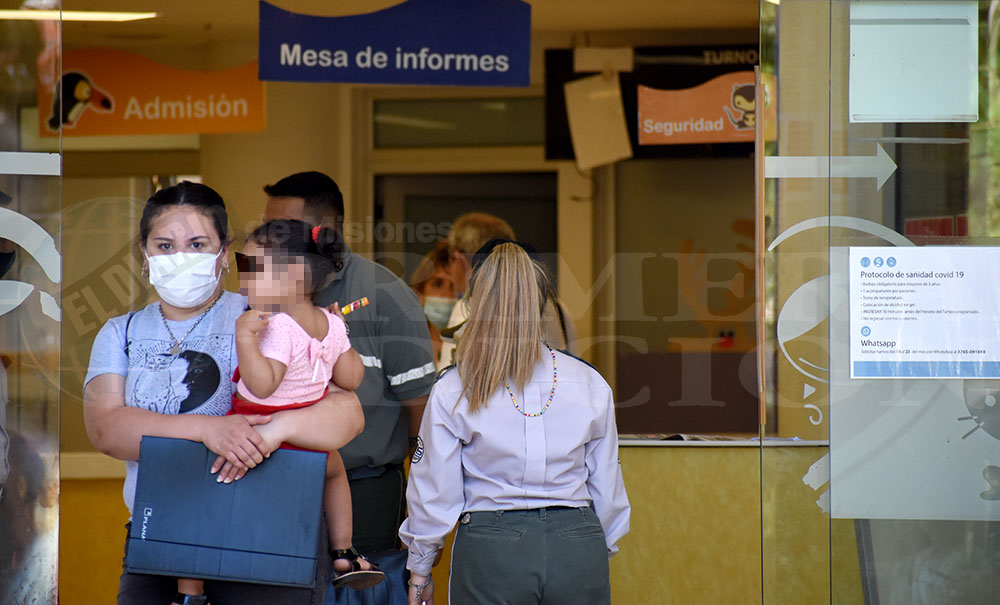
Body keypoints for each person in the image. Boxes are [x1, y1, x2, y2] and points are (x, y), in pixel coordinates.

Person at [83, 181, 364, 605]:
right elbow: (107, 430)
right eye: (165, 245)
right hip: (160, 535)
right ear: (144, 252)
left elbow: (349, 412)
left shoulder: (268, 317)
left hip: (269, 533)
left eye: (197, 244)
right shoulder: (120, 333)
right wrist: (209, 430)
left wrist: (275, 430)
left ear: (224, 252)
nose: (181, 257)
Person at [399, 240, 630, 605]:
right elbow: (608, 489)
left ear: (473, 303)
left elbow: (435, 492)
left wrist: (420, 570)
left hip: (492, 551)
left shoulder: (455, 387)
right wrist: (590, 554)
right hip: (578, 545)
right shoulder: (590, 382)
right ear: (543, 302)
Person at [175, 219, 386, 602]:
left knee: (203, 497)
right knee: (336, 472)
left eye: (252, 268)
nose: (244, 280)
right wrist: (341, 334)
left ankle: (190, 590)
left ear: (294, 277)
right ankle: (344, 551)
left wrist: (245, 338)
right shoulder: (330, 323)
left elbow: (263, 384)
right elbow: (351, 378)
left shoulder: (279, 326)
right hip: (310, 442)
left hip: (256, 430)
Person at [262, 172, 436, 605]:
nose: (269, 241)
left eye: (282, 230)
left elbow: (421, 413)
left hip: (367, 497)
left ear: (324, 232)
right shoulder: (263, 297)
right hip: (278, 495)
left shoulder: (385, 295)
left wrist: (420, 502)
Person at [438, 213, 576, 368]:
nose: (449, 271)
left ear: (459, 259)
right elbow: (572, 367)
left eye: (449, 260)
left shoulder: (470, 309)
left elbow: (450, 376)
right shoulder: (559, 309)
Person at [408, 241, 458, 370]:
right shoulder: (405, 345)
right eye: (437, 284)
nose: (447, 294)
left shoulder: (471, 347)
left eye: (454, 286)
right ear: (420, 293)